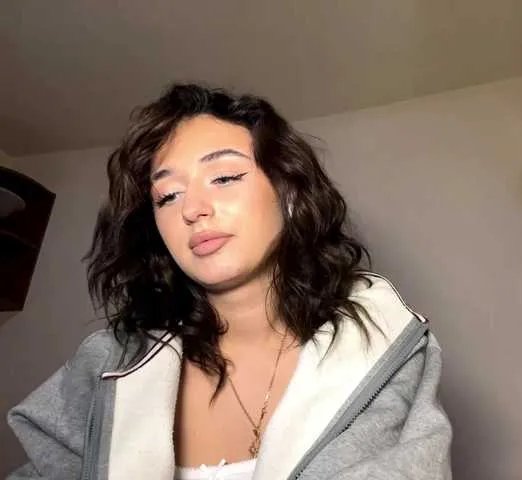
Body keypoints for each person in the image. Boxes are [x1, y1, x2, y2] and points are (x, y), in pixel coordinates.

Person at [7, 84, 452, 480]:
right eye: (168, 195)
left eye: (224, 177)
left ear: (288, 192)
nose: (192, 209)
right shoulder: (106, 364)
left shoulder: (386, 347)